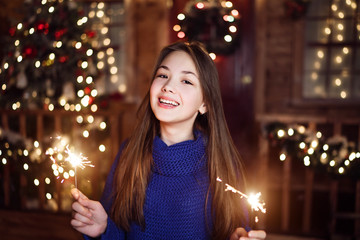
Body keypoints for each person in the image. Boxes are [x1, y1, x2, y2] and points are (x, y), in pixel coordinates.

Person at [70, 41, 266, 240]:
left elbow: (237, 229)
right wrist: (103, 230)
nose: (168, 86)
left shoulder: (222, 163)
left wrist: (241, 236)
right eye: (163, 75)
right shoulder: (129, 153)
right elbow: (118, 231)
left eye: (186, 81)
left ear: (205, 103)